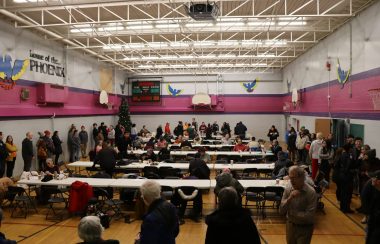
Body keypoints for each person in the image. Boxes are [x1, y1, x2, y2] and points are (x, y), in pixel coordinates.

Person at [280, 166, 317, 244]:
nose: (291, 181)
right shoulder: (288, 188)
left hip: (305, 228)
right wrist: (290, 198)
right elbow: (281, 210)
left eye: (293, 178)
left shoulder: (311, 192)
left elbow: (309, 216)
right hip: (290, 226)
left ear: (302, 178)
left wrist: (292, 213)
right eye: (290, 178)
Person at [334, 144, 356, 213]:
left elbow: (336, 165)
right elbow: (347, 167)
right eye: (352, 148)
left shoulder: (341, 155)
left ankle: (342, 207)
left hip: (341, 175)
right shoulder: (349, 156)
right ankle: (346, 209)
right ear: (349, 149)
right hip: (347, 176)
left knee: (343, 192)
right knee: (347, 193)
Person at [360, 170, 380, 244]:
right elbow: (364, 197)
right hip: (373, 218)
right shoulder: (369, 185)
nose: (372, 179)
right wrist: (367, 213)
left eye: (374, 178)